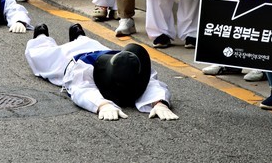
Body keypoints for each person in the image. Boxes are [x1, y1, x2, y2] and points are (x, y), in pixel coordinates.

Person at [26, 23, 176, 120]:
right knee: (41, 55)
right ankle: (41, 35)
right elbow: (81, 89)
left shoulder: (133, 62)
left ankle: (78, 35)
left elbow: (152, 83)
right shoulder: (83, 68)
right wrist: (102, 104)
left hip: (100, 49)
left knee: (85, 41)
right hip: (68, 59)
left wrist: (159, 103)